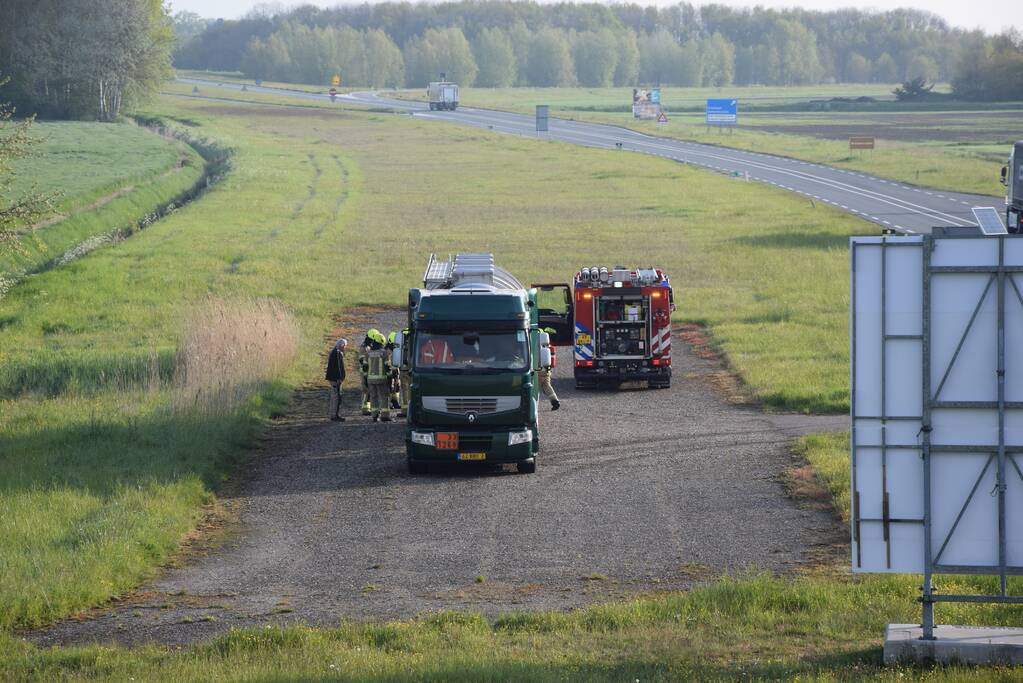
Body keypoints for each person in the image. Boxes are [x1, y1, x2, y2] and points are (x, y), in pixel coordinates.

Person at [364, 329, 392, 422]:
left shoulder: (368, 353)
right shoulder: (384, 353)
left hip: (370, 380)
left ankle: (374, 416)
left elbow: (364, 367)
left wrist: (365, 378)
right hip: (382, 379)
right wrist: (390, 378)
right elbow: (388, 367)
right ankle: (385, 415)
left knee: (373, 397)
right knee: (384, 396)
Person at [538, 328, 560, 411]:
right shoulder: (546, 345)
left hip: (537, 370)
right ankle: (555, 401)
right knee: (546, 386)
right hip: (546, 369)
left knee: (533, 388)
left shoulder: (533, 345)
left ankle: (530, 406)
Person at [325, 337, 347, 421]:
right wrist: (340, 378)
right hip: (335, 379)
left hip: (332, 378)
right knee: (336, 397)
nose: (345, 348)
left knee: (334, 396)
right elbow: (339, 367)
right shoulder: (337, 353)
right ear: (341, 345)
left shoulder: (333, 352)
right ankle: (335, 415)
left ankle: (333, 415)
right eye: (344, 346)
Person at [397, 327, 411, 418]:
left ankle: (405, 410)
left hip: (403, 371)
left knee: (405, 391)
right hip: (412, 371)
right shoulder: (414, 343)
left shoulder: (401, 345)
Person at [386, 332, 401, 410]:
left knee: (396, 388)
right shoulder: (388, 351)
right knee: (389, 389)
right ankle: (389, 403)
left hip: (395, 373)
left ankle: (395, 402)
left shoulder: (395, 350)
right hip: (390, 373)